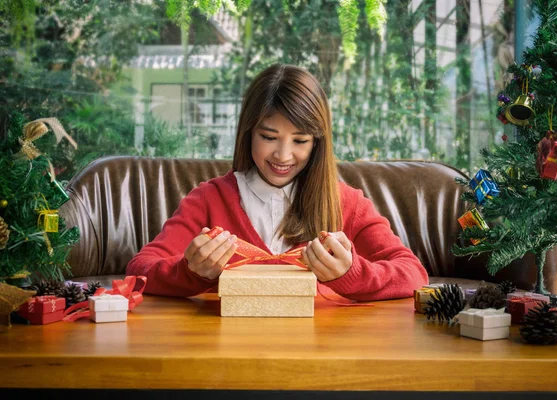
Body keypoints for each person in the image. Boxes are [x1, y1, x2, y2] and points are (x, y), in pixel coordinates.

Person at [126, 64, 429, 300]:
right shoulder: (209, 199)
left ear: (317, 143)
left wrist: (352, 273)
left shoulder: (345, 202)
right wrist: (189, 272)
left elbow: (413, 274)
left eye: (300, 140)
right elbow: (140, 269)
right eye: (269, 137)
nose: (283, 155)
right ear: (248, 131)